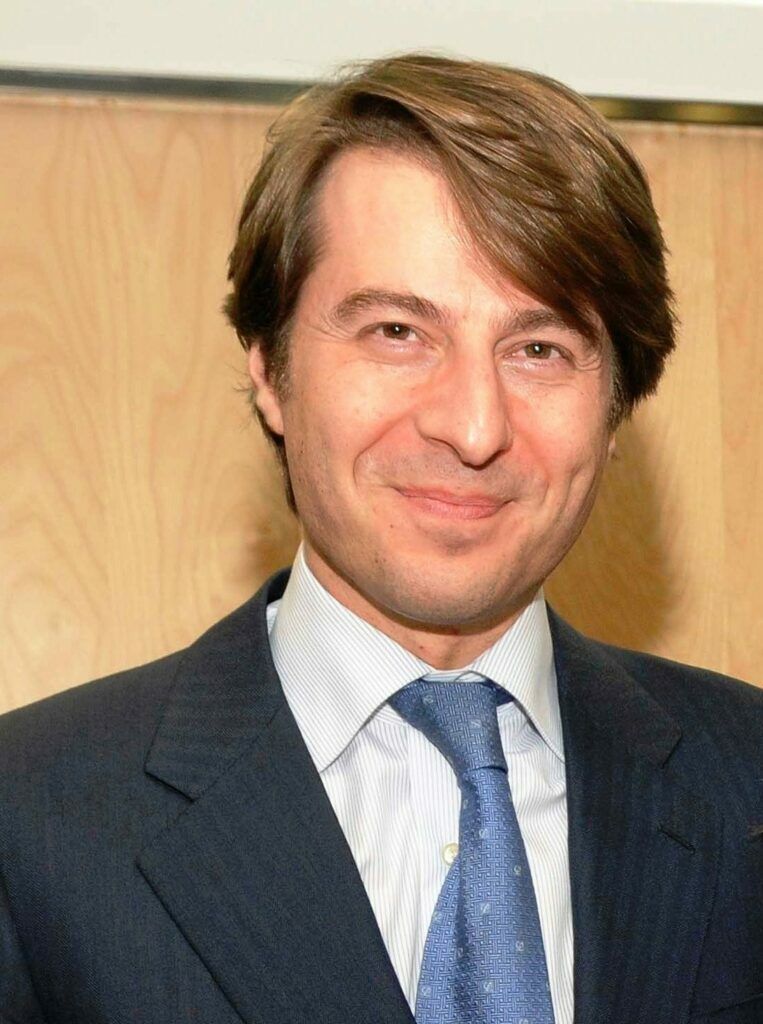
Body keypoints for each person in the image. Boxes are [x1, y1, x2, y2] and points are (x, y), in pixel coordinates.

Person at [0, 53, 761, 1024]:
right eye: (397, 331)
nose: (473, 427)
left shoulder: (746, 786)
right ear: (270, 371)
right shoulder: (30, 820)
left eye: (538, 349)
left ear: (616, 408)